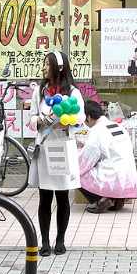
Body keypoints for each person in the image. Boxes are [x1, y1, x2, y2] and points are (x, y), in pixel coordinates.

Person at [28, 50, 83, 256]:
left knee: (62, 196)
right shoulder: (40, 91)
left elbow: (80, 117)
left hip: (63, 146)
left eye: (46, 64)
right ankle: (45, 242)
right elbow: (32, 117)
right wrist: (40, 121)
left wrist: (65, 123)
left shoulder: (73, 92)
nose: (43, 68)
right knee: (44, 197)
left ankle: (60, 240)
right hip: (44, 147)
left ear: (58, 68)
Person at [78, 100, 137, 214]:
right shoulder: (117, 126)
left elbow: (86, 159)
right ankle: (116, 199)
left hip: (112, 177)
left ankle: (100, 200)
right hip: (128, 177)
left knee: (76, 173)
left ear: (88, 117)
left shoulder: (97, 130)